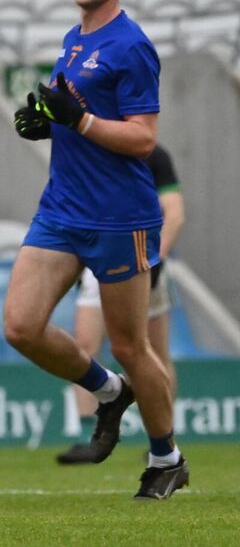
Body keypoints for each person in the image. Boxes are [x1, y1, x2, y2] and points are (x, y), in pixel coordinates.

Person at [6, 0, 188, 499]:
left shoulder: (132, 46)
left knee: (133, 345)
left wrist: (78, 121)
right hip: (62, 207)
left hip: (120, 217)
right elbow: (71, 110)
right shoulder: (74, 38)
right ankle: (109, 391)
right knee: (20, 326)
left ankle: (167, 459)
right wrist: (44, 119)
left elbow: (142, 139)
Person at [57, 143, 185, 463]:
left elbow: (175, 213)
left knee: (153, 352)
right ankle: (89, 433)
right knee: (85, 345)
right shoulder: (86, 154)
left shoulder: (152, 155)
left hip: (145, 260)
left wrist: (156, 259)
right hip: (98, 261)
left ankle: (163, 437)